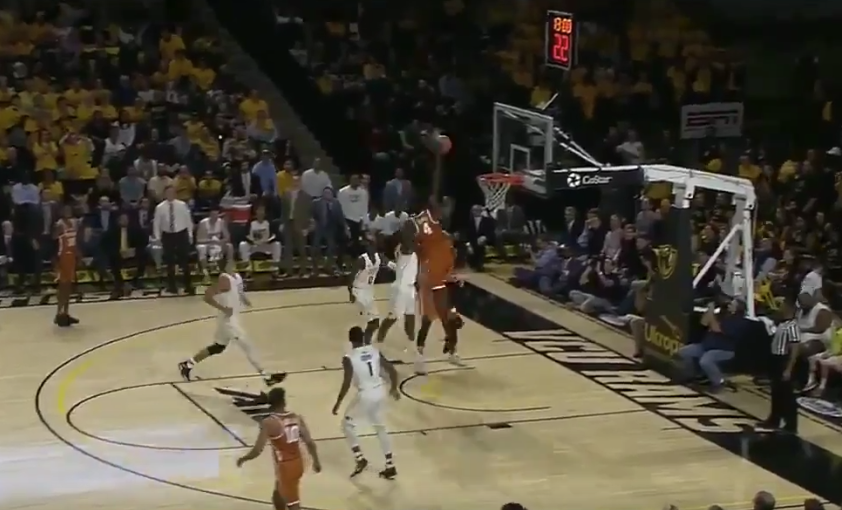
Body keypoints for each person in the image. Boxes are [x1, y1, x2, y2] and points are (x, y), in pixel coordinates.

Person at [178, 254, 286, 386]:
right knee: (248, 346)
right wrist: (223, 308)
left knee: (218, 347)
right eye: (231, 261)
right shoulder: (224, 279)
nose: (234, 262)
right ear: (226, 264)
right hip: (228, 321)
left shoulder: (237, 276)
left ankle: (187, 364)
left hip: (232, 319)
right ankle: (267, 376)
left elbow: (239, 291)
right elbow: (207, 296)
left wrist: (244, 299)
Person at [331, 326, 400, 479]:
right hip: (380, 391)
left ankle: (360, 458)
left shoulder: (349, 357)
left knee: (347, 423)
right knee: (380, 426)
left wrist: (338, 402)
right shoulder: (374, 350)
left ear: (350, 340)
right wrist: (394, 387)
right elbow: (392, 370)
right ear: (363, 338)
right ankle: (390, 464)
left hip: (366, 394)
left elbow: (347, 382)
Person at [236, 387, 322, 510]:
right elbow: (310, 443)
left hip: (286, 467)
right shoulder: (297, 418)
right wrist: (316, 461)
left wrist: (244, 458)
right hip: (298, 463)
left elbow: (257, 450)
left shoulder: (269, 423)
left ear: (269, 404)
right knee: (278, 495)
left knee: (293, 504)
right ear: (284, 402)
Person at [414, 199, 464, 367]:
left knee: (452, 320)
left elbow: (450, 268)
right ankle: (419, 354)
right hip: (429, 281)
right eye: (443, 208)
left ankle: (452, 351)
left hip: (441, 283)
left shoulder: (447, 243)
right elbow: (419, 238)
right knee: (427, 321)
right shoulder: (428, 229)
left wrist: (454, 278)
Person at [755, 296, 801, 433]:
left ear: (789, 308)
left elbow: (795, 348)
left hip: (784, 360)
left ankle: (791, 424)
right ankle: (774, 419)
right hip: (775, 359)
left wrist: (788, 368)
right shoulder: (782, 323)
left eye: (782, 305)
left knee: (786, 394)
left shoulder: (792, 326)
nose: (780, 307)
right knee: (776, 392)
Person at [375, 222, 418, 364]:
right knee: (392, 318)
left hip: (410, 287)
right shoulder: (406, 247)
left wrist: (387, 262)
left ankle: (412, 347)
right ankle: (378, 346)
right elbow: (409, 244)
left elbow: (399, 267)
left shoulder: (405, 247)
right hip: (400, 288)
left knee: (410, 318)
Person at [153, 185, 194, 295]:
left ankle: (188, 285)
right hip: (168, 235)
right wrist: (157, 237)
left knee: (184, 261)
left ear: (175, 194)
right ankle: (172, 286)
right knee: (169, 262)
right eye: (168, 193)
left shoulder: (182, 205)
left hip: (181, 233)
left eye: (172, 192)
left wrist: (190, 235)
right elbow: (156, 223)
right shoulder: (160, 207)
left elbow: (188, 220)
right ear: (165, 194)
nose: (170, 194)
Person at [348, 234, 382, 343]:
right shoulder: (362, 260)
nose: (370, 246)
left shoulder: (378, 257)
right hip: (359, 291)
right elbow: (351, 276)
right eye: (368, 244)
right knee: (371, 321)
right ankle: (365, 344)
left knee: (375, 321)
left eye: (372, 244)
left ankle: (366, 342)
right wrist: (350, 292)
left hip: (369, 291)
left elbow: (391, 264)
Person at [54, 203, 79, 327]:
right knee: (62, 286)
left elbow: (76, 240)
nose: (68, 211)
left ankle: (66, 312)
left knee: (68, 287)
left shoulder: (74, 222)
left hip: (71, 256)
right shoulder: (59, 224)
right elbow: (55, 239)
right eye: (66, 209)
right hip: (63, 256)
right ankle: (59, 313)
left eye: (69, 209)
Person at [195, 208, 233, 278]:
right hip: (205, 244)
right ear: (210, 215)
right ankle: (205, 271)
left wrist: (221, 242)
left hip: (217, 243)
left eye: (216, 215)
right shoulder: (203, 223)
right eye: (213, 215)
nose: (215, 217)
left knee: (229, 246)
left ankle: (228, 269)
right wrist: (211, 242)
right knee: (202, 248)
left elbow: (227, 238)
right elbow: (199, 240)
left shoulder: (221, 222)